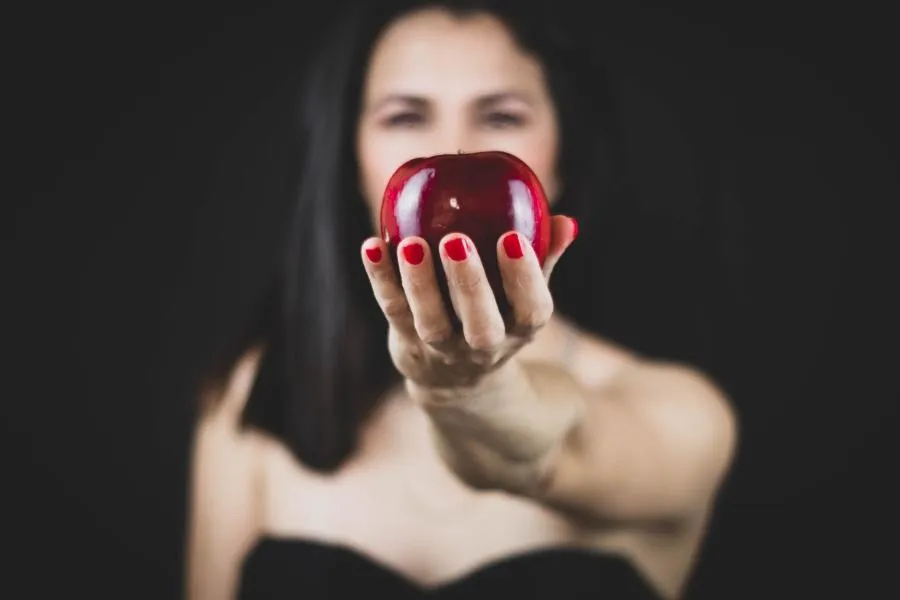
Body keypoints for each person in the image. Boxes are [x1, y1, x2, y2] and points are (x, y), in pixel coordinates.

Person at [186, 1, 738, 598]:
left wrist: (467, 390)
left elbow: (548, 453)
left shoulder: (682, 414)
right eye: (404, 117)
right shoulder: (255, 400)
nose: (454, 147)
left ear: (562, 158)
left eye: (502, 116)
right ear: (352, 162)